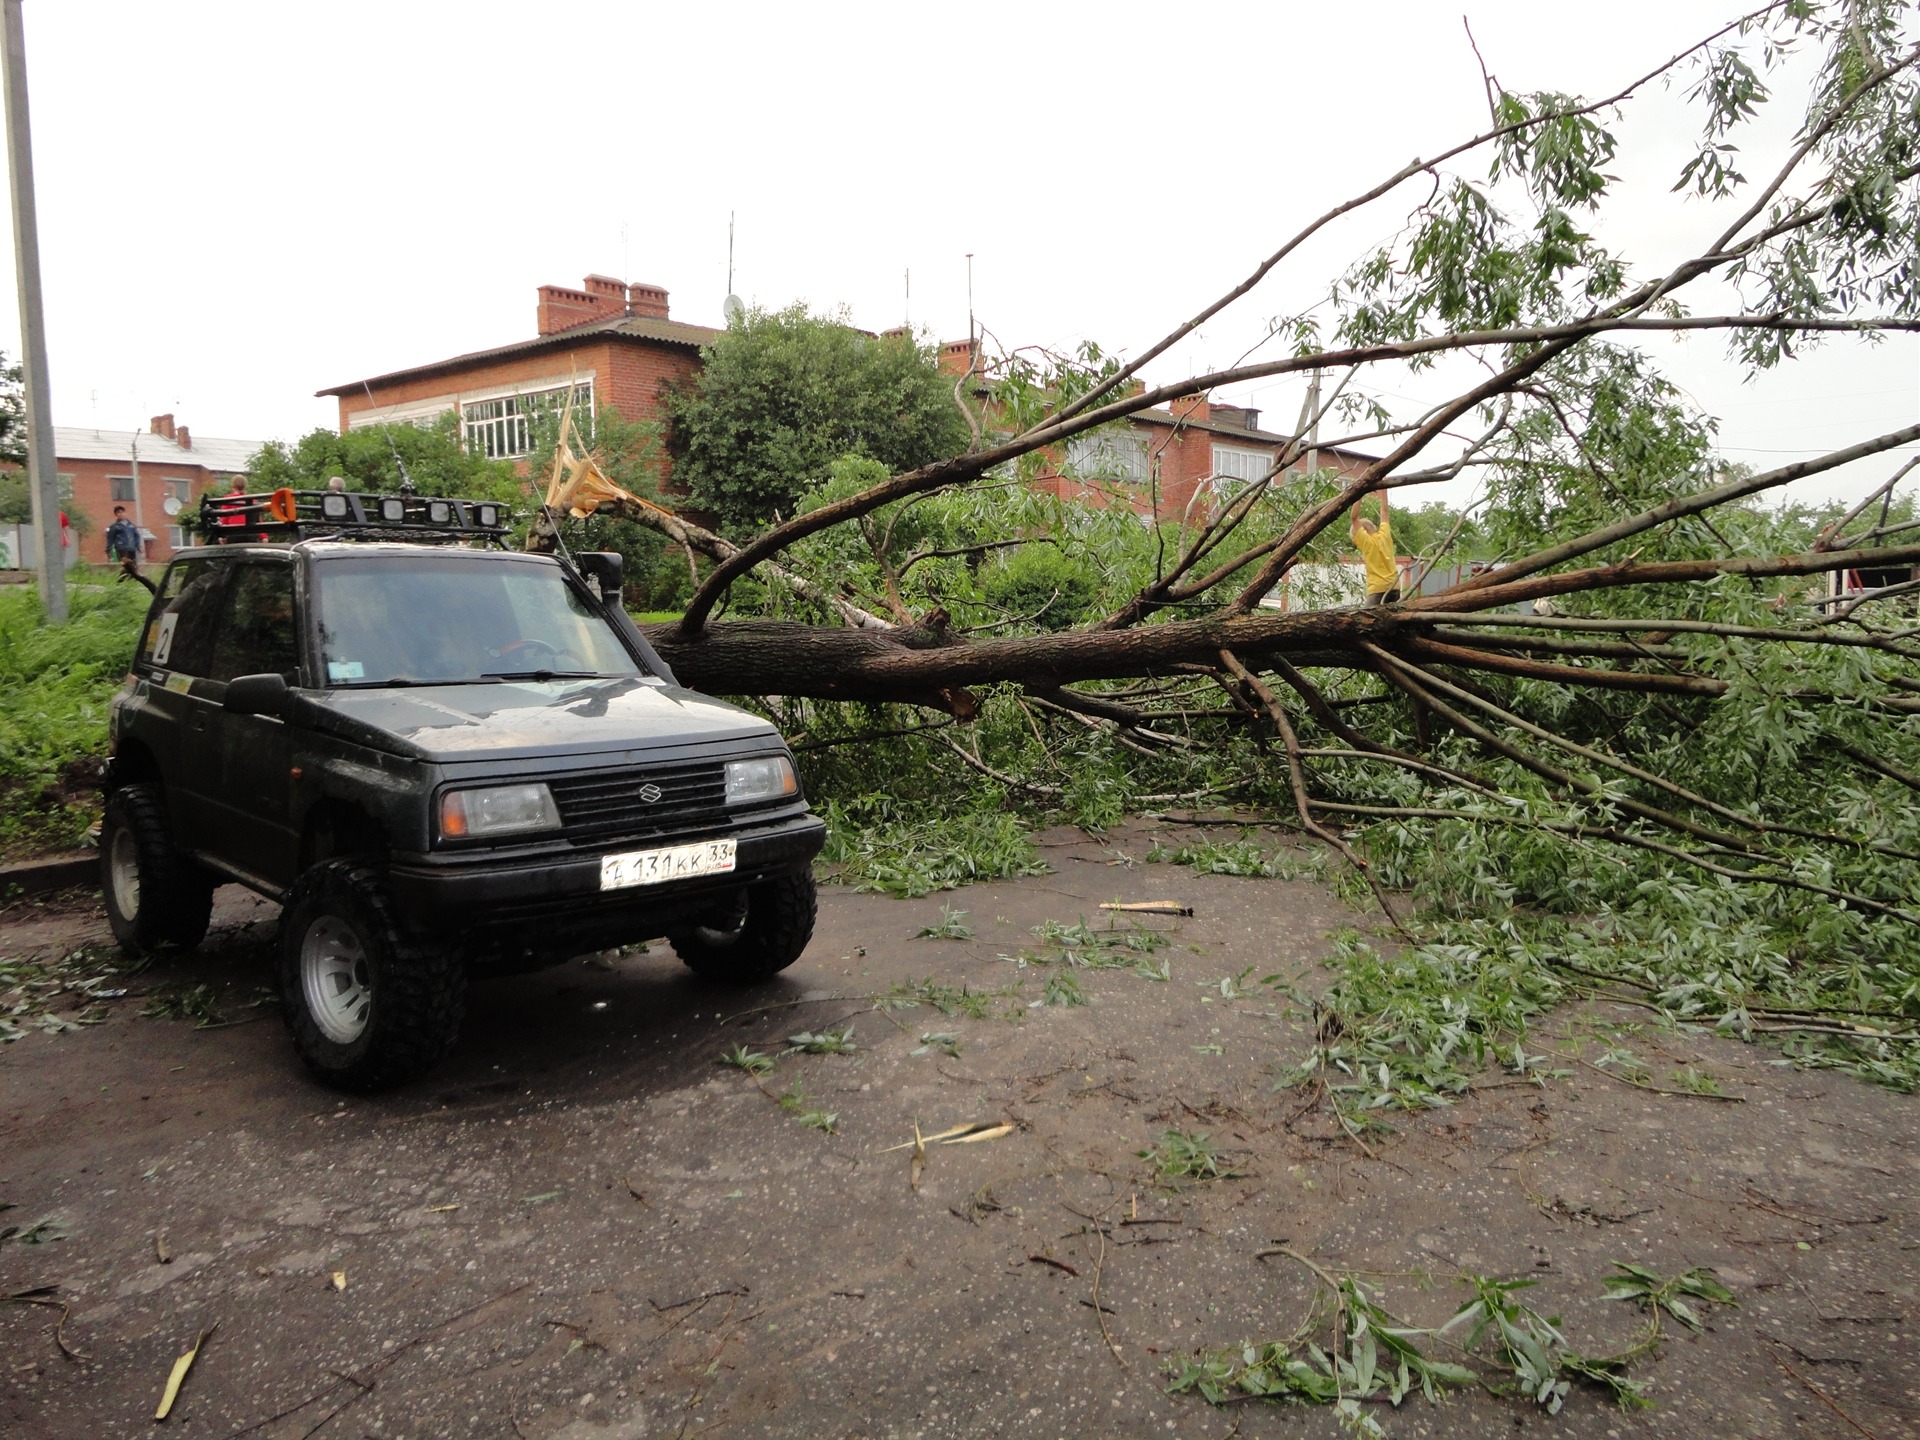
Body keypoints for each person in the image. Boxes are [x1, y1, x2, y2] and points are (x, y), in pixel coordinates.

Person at [1349, 493, 1400, 605]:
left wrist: (1360, 492)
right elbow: (1384, 511)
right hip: (1395, 587)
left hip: (1377, 589)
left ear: (1361, 532)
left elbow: (1353, 517)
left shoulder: (1366, 541)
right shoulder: (1385, 535)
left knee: (1366, 620)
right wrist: (1384, 490)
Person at [104, 505, 143, 572]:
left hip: (131, 547)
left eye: (122, 512)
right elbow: (110, 539)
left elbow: (136, 536)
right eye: (119, 512)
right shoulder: (115, 526)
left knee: (133, 566)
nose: (121, 514)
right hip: (121, 548)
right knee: (126, 566)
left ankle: (129, 580)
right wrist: (108, 551)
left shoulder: (131, 525)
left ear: (125, 513)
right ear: (116, 515)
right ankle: (120, 581)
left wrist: (138, 546)